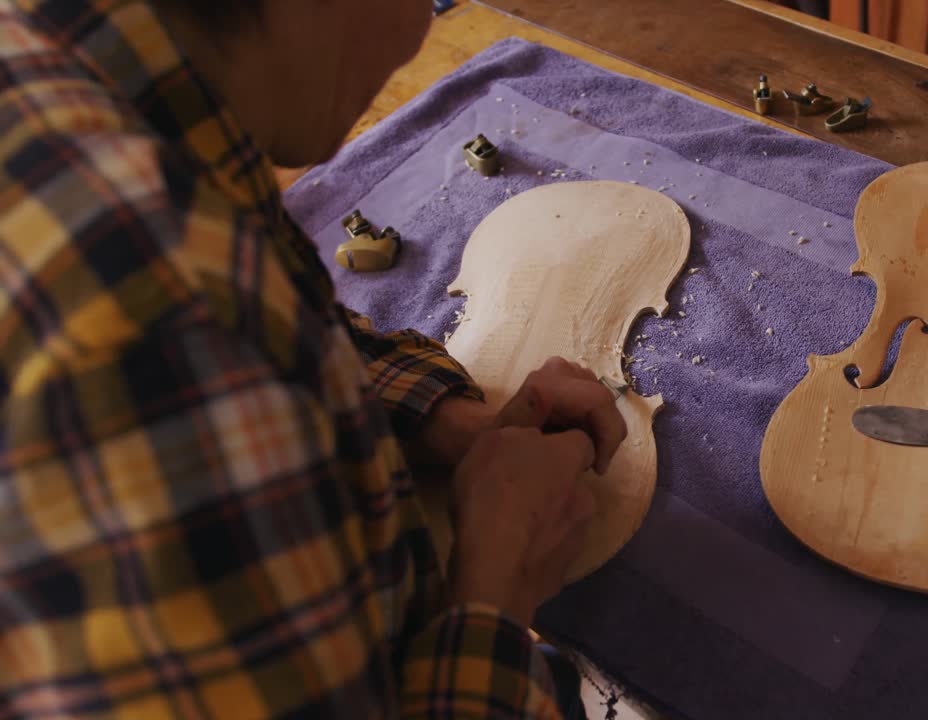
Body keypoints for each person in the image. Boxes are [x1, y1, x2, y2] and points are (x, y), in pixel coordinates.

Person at [0, 0, 626, 717]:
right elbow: (202, 329)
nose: (423, 28)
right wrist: (497, 590)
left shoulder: (53, 65)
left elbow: (258, 317)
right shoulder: (173, 324)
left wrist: (441, 419)